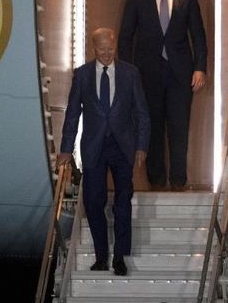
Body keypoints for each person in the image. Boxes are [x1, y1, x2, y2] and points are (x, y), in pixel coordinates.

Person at [57, 28, 150, 276]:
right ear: (93, 48)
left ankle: (119, 257)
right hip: (94, 147)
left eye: (111, 48)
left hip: (122, 147)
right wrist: (66, 149)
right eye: (102, 49)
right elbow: (72, 114)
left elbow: (142, 113)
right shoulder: (82, 74)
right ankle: (101, 257)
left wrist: (141, 146)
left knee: (122, 202)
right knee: (93, 202)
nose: (107, 54)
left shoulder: (131, 73)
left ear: (115, 45)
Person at [118, 0, 208, 192]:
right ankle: (156, 180)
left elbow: (198, 36)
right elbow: (126, 36)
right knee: (152, 125)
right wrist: (126, 72)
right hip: (147, 72)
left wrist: (200, 68)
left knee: (179, 126)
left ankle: (179, 180)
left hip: (180, 72)